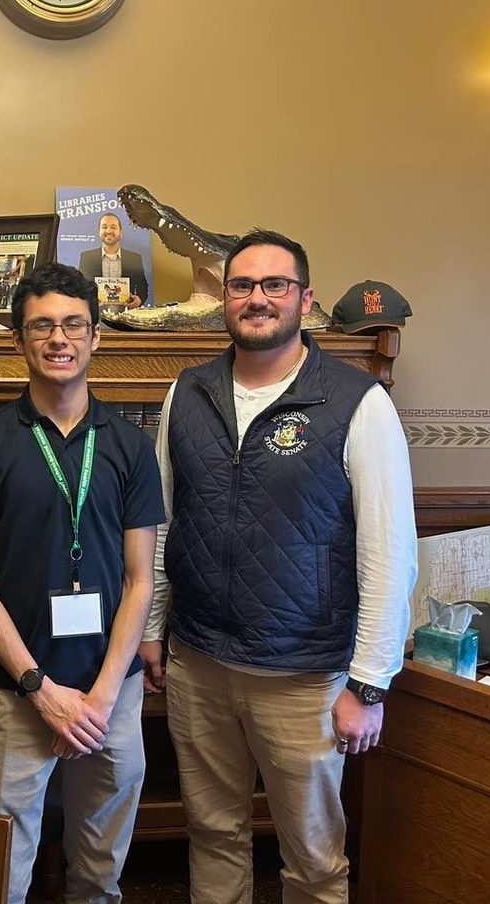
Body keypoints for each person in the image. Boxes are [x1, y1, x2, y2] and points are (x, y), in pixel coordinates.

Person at [140, 230, 417, 904]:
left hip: (306, 677)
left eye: (275, 285)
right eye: (242, 286)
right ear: (223, 300)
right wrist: (154, 628)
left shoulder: (358, 403)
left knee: (314, 859)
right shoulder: (190, 392)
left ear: (305, 300)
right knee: (212, 834)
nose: (257, 298)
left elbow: (390, 553)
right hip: (200, 664)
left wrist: (369, 685)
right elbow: (161, 522)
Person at [0, 262, 165, 904]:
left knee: (101, 870)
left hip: (113, 697)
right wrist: (41, 690)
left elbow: (139, 580)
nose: (58, 339)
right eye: (40, 326)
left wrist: (98, 697)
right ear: (18, 341)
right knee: (1, 873)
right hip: (17, 694)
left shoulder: (128, 445)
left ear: (96, 337)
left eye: (73, 324)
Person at [78, 212, 149, 307]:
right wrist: (90, 301)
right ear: (99, 232)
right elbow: (81, 287)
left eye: (113, 227)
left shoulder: (134, 258)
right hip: (96, 317)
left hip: (126, 317)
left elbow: (142, 287)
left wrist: (139, 300)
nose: (109, 230)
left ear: (121, 233)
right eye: (104, 227)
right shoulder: (87, 258)